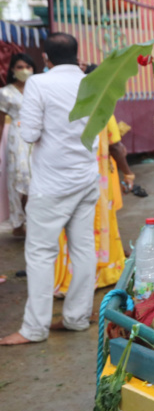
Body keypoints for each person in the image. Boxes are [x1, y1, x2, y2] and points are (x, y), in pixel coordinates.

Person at [0, 33, 100, 346]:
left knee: (41, 253)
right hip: (86, 177)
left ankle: (34, 329)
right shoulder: (91, 83)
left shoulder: (39, 84)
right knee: (83, 249)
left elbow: (29, 134)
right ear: (77, 54)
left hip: (53, 183)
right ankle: (76, 318)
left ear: (46, 58)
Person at [54, 114, 126, 294]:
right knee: (95, 226)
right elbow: (115, 146)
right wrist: (128, 173)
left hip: (66, 178)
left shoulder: (62, 107)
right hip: (96, 178)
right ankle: (96, 275)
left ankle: (70, 277)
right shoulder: (102, 107)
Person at [0, 53, 36, 238]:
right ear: (13, 70)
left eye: (28, 67)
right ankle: (18, 222)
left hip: (37, 136)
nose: (24, 71)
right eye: (20, 67)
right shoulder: (5, 92)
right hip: (16, 138)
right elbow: (0, 123)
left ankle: (33, 220)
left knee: (35, 177)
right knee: (18, 177)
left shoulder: (38, 89)